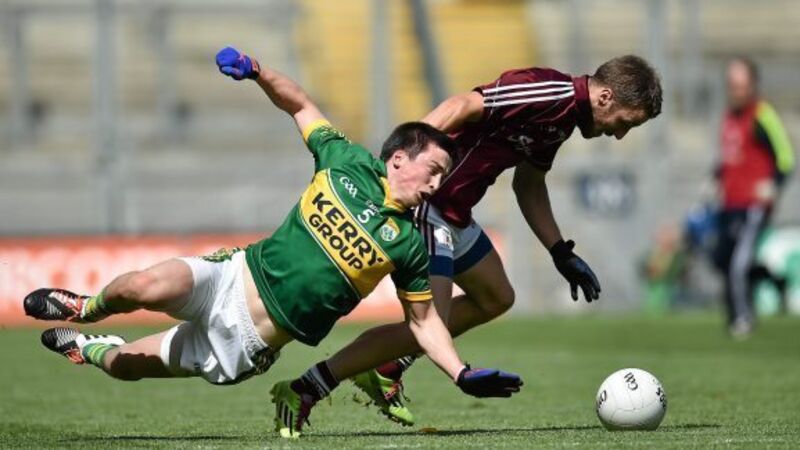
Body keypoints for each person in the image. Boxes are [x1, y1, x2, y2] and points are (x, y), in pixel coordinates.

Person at [22, 46, 522, 439]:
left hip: (245, 343)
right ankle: (86, 308)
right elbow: (300, 104)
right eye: (432, 170)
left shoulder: (409, 244)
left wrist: (460, 374)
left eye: (443, 176)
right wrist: (259, 72)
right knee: (143, 286)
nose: (437, 184)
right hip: (229, 278)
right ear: (398, 159)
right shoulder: (345, 162)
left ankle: (91, 349)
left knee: (125, 367)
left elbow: (425, 322)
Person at [284, 55, 664, 426]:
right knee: (428, 325)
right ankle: (310, 386)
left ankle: (388, 367)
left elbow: (529, 185)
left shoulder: (563, 121)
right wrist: (398, 176)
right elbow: (462, 105)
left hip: (455, 213)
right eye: (625, 123)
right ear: (605, 97)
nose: (620, 134)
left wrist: (560, 251)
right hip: (428, 206)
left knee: (496, 297)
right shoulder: (547, 91)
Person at [712, 57, 794, 338]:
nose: (735, 92)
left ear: (752, 86)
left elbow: (785, 156)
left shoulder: (762, 114)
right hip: (729, 203)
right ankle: (774, 280)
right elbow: (730, 158)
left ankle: (741, 318)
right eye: (731, 86)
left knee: (739, 261)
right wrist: (715, 179)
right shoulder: (728, 117)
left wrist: (773, 184)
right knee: (722, 259)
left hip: (754, 205)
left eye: (740, 86)